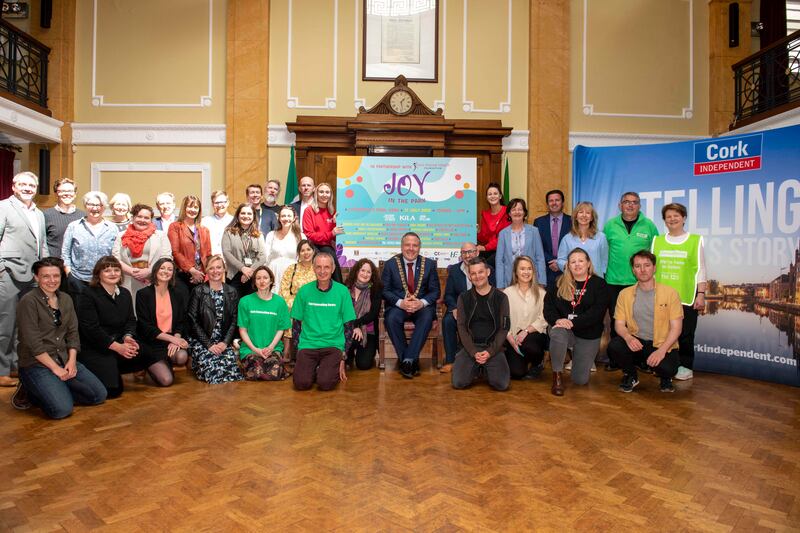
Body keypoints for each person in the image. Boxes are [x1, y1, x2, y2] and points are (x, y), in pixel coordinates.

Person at [12, 257, 107, 418]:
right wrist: (55, 369)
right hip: (36, 363)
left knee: (98, 395)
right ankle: (30, 388)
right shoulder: (28, 301)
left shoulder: (66, 299)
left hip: (63, 357)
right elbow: (33, 343)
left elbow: (72, 333)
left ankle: (56, 387)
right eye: (46, 276)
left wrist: (71, 361)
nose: (52, 280)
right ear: (36, 277)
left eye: (56, 276)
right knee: (61, 410)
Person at [77, 256, 167, 398]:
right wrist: (118, 347)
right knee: (114, 392)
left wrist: (128, 337)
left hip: (120, 340)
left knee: (146, 352)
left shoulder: (124, 293)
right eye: (107, 270)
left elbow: (131, 320)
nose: (113, 273)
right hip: (97, 347)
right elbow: (91, 329)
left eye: (116, 270)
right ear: (98, 274)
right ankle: (104, 370)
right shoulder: (88, 294)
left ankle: (113, 367)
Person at [608, 250, 683, 393]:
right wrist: (628, 337)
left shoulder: (670, 293)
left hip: (661, 344)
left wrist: (661, 351)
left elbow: (676, 328)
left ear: (654, 268)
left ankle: (665, 377)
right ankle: (631, 375)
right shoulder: (624, 294)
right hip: (637, 342)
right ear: (633, 270)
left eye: (647, 265)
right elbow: (619, 324)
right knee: (615, 346)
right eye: (637, 266)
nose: (642, 270)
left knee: (668, 368)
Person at [0, 171, 48, 387]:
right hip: (9, 273)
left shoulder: (38, 212)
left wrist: (45, 271)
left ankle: (18, 366)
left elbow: (43, 245)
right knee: (5, 324)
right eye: (24, 184)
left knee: (25, 325)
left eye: (32, 185)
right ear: (14, 186)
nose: (28, 188)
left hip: (32, 277)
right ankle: (2, 371)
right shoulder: (3, 207)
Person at [602, 191, 659, 368]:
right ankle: (616, 360)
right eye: (626, 202)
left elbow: (655, 254)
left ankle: (641, 359)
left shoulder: (649, 226)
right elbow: (604, 252)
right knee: (615, 321)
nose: (630, 205)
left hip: (639, 283)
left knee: (640, 322)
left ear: (639, 206)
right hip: (613, 282)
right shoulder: (610, 225)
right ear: (620, 205)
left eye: (634, 202)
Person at [652, 203, 706, 381]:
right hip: (661, 297)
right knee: (662, 333)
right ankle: (661, 363)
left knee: (685, 335)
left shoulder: (695, 240)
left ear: (684, 218)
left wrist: (701, 294)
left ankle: (686, 366)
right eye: (668, 216)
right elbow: (651, 270)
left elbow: (701, 270)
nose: (672, 219)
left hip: (686, 297)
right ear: (664, 220)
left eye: (676, 215)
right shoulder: (657, 241)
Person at [543, 247, 609, 396]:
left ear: (588, 263)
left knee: (580, 380)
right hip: (564, 329)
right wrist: (558, 320)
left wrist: (573, 322)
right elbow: (548, 309)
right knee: (558, 332)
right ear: (568, 265)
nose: (577, 264)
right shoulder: (559, 283)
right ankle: (557, 376)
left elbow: (597, 313)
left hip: (588, 333)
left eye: (581, 261)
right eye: (573, 261)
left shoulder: (599, 284)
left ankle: (576, 354)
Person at [290, 252, 356, 391]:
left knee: (325, 384)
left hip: (333, 346)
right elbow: (296, 325)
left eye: (326, 267)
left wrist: (343, 357)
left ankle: (322, 369)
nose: (322, 271)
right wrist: (299, 351)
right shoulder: (304, 291)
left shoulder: (342, 292)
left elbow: (348, 327)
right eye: (318, 267)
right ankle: (315, 368)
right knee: (301, 384)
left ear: (332, 269)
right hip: (308, 345)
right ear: (313, 268)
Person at [382, 232, 440, 379]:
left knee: (427, 316)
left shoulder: (429, 265)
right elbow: (385, 291)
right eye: (408, 245)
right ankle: (410, 360)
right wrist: (401, 303)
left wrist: (421, 303)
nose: (411, 248)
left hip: (421, 307)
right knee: (391, 318)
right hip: (398, 307)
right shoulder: (390, 264)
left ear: (419, 247)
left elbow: (435, 292)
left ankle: (407, 360)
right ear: (402, 246)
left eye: (415, 245)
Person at [451, 257, 511, 391]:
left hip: (493, 348)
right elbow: (461, 327)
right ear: (469, 276)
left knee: (501, 385)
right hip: (470, 348)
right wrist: (473, 352)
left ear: (488, 272)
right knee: (458, 383)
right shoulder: (463, 297)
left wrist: (490, 351)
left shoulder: (501, 297)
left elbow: (504, 328)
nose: (477, 276)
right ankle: (477, 368)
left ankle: (483, 369)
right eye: (473, 273)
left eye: (481, 272)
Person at [186, 255, 243, 384]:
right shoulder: (198, 291)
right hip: (202, 341)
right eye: (211, 268)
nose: (215, 271)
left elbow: (234, 320)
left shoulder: (232, 292)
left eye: (218, 267)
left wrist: (225, 343)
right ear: (206, 270)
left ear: (224, 269)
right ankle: (197, 362)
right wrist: (208, 344)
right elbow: (192, 321)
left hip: (222, 341)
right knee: (213, 369)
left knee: (231, 369)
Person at [135, 258, 189, 380]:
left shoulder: (177, 294)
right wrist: (174, 340)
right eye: (162, 268)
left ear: (173, 274)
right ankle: (148, 364)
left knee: (182, 357)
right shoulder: (143, 294)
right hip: (151, 342)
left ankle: (164, 362)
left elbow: (181, 321)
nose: (166, 271)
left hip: (169, 341)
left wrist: (176, 338)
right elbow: (145, 327)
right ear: (155, 271)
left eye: (170, 269)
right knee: (166, 380)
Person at [62, 191, 119, 305]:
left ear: (104, 207)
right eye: (91, 204)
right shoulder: (74, 226)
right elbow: (65, 253)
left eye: (99, 205)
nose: (95, 208)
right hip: (79, 280)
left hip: (104, 280)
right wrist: (69, 275)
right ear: (85, 206)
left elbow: (116, 255)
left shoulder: (112, 228)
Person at [113, 203, 173, 307]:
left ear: (151, 220)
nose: (142, 220)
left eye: (146, 218)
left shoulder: (160, 235)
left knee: (151, 312)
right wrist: (132, 272)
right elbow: (115, 259)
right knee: (131, 311)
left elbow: (166, 257)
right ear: (133, 218)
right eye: (139, 216)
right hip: (129, 281)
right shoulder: (121, 235)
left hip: (153, 280)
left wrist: (149, 271)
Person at [238, 266, 291, 380]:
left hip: (272, 349)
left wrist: (271, 347)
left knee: (274, 373)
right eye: (258, 278)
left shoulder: (280, 302)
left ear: (271, 280)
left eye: (265, 278)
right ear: (254, 281)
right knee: (257, 373)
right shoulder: (245, 301)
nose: (262, 281)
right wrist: (256, 350)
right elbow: (242, 330)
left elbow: (281, 329)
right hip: (250, 349)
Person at [504, 256, 548, 380]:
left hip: (534, 335)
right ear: (516, 272)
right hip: (513, 337)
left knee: (529, 345)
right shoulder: (507, 293)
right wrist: (511, 339)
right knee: (517, 373)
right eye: (522, 269)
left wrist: (526, 331)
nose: (526, 272)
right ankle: (522, 360)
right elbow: (502, 319)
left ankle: (537, 362)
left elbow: (544, 318)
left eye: (529, 269)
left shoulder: (541, 293)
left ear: (533, 272)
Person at [441, 242, 478, 373]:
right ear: (461, 255)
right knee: (448, 321)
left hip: (480, 309)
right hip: (459, 308)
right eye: (464, 253)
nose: (468, 255)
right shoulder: (455, 270)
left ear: (477, 252)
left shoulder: (486, 269)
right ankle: (451, 361)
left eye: (471, 252)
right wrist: (455, 308)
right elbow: (449, 294)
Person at [495, 198, 547, 289]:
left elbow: (540, 258)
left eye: (520, 209)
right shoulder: (503, 233)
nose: (517, 212)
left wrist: (541, 281)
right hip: (510, 279)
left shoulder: (534, 231)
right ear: (509, 213)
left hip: (531, 278)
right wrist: (500, 285)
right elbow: (499, 261)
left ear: (524, 213)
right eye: (514, 210)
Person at [222, 203, 267, 298]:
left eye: (249, 214)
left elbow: (263, 257)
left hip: (253, 276)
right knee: (234, 307)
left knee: (251, 306)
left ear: (253, 216)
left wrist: (249, 272)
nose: (246, 216)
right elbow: (227, 252)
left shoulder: (258, 234)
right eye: (243, 213)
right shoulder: (228, 232)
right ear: (238, 215)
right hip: (234, 275)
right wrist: (242, 268)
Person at [168, 195, 212, 291]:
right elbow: (175, 252)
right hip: (182, 275)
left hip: (201, 276)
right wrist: (192, 270)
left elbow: (208, 255)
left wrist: (203, 273)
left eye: (196, 207)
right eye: (189, 206)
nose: (193, 210)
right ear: (184, 208)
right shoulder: (175, 227)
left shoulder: (204, 230)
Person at [344, 258, 381, 371]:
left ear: (372, 274)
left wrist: (357, 324)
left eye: (368, 272)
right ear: (356, 271)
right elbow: (343, 311)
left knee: (363, 365)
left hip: (368, 331)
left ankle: (363, 351)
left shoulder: (376, 289)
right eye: (362, 270)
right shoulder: (346, 288)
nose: (365, 274)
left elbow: (373, 314)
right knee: (351, 337)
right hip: (348, 329)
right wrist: (354, 327)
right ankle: (349, 355)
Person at [302, 182, 344, 283]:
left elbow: (336, 236)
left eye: (327, 192)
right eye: (321, 192)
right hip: (314, 246)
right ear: (316, 193)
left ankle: (339, 290)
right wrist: (330, 234)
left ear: (331, 195)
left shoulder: (333, 212)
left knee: (330, 254)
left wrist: (335, 223)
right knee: (328, 254)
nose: (324, 194)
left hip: (328, 246)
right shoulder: (309, 211)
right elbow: (309, 234)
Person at [557, 201, 609, 278]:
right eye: (581, 212)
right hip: (573, 279)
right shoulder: (567, 239)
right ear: (576, 217)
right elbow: (561, 260)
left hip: (596, 279)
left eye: (588, 213)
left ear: (592, 218)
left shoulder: (601, 237)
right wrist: (573, 267)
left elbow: (604, 260)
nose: (584, 215)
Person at [533, 189, 572, 291]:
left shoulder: (572, 221)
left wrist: (560, 262)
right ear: (547, 204)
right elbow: (537, 246)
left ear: (562, 202)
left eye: (557, 200)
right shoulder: (539, 222)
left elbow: (575, 245)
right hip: (546, 268)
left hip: (567, 269)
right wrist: (551, 261)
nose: (554, 203)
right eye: (551, 201)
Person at [264, 205, 302, 294]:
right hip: (273, 273)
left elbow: (303, 259)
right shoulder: (271, 235)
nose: (286, 218)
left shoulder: (300, 236)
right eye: (283, 216)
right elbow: (266, 257)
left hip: (292, 275)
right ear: (279, 218)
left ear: (294, 218)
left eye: (289, 216)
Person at [43, 178, 84, 259]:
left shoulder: (83, 216)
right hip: (53, 266)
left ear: (75, 194)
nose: (66, 194)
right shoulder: (46, 215)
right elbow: (42, 243)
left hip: (76, 268)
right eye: (62, 191)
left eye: (70, 191)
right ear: (56, 194)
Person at [476, 182, 509, 283]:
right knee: (474, 259)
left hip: (504, 249)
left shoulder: (507, 212)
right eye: (490, 194)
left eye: (495, 193)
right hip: (489, 251)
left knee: (485, 265)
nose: (492, 196)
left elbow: (504, 237)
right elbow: (483, 238)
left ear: (500, 196)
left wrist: (485, 247)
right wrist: (478, 232)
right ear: (487, 197)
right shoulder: (485, 214)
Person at [278, 239, 317, 311]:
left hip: (314, 309)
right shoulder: (292, 269)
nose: (306, 253)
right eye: (302, 251)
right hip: (294, 309)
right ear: (298, 254)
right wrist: (297, 307)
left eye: (308, 249)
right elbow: (283, 291)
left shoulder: (318, 269)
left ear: (313, 251)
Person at [202, 190, 234, 255]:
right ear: (212, 204)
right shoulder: (205, 221)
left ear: (228, 203)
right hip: (210, 261)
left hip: (229, 262)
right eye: (216, 203)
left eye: (222, 202)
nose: (219, 205)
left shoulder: (234, 221)